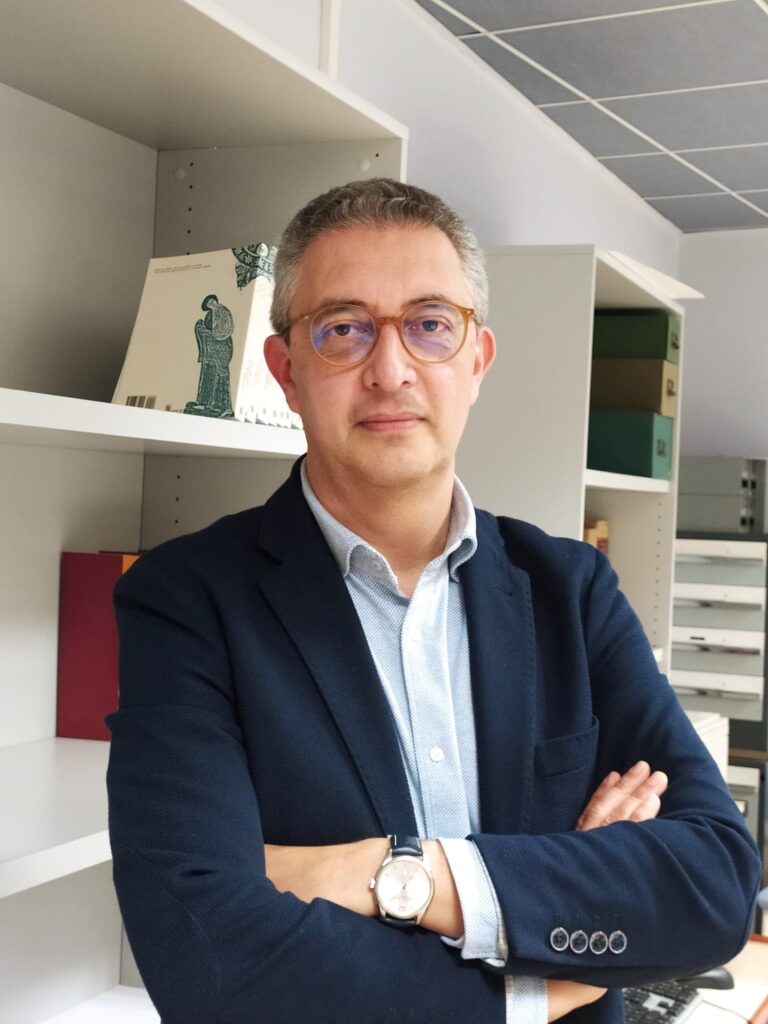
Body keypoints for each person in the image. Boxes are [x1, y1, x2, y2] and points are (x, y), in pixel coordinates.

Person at [106, 178, 761, 1024]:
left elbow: (714, 886)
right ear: (287, 371)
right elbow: (205, 961)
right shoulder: (185, 602)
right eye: (342, 328)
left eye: (429, 325)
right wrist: (541, 972)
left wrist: (393, 874)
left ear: (476, 360)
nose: (389, 370)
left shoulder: (572, 590)